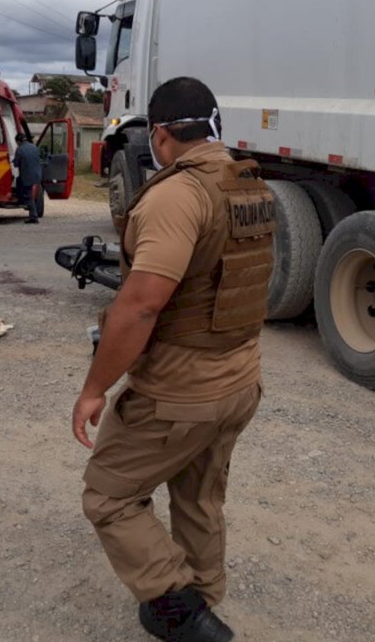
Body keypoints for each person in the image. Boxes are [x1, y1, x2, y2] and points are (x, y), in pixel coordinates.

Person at [72, 77, 276, 642]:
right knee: (199, 498)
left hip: (182, 391)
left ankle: (182, 615)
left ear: (160, 134)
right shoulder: (251, 186)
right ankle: (204, 598)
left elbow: (139, 308)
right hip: (239, 379)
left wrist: (94, 390)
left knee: (109, 496)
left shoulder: (176, 195)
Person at [13, 132, 42, 224]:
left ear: (18, 141)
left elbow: (16, 164)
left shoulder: (20, 149)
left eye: (17, 142)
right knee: (30, 195)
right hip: (37, 175)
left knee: (28, 196)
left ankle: (33, 216)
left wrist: (13, 160)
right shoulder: (34, 147)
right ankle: (32, 214)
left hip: (27, 176)